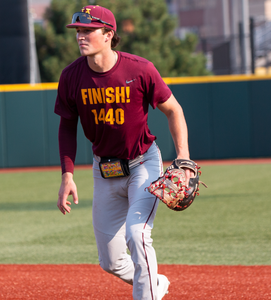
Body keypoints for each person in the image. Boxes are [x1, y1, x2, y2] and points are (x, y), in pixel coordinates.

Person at [54, 5, 193, 300]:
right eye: (78, 30)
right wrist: (67, 175)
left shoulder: (139, 69)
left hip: (143, 163)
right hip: (103, 171)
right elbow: (67, 127)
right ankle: (155, 284)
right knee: (112, 262)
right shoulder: (71, 77)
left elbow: (174, 110)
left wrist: (182, 158)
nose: (80, 36)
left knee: (137, 234)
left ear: (108, 34)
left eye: (88, 30)